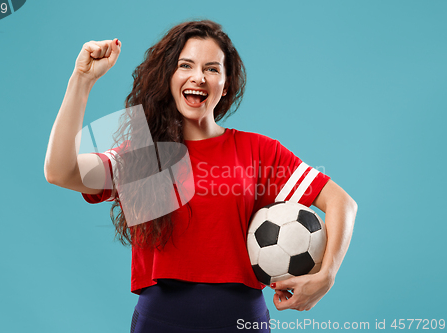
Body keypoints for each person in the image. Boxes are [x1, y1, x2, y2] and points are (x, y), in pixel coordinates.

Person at [44, 20, 357, 333]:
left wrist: (326, 276)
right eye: (185, 65)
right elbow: (60, 171)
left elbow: (342, 202)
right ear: (168, 76)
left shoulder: (258, 151)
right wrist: (81, 80)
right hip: (160, 321)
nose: (198, 77)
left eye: (211, 69)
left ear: (226, 83)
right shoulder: (142, 155)